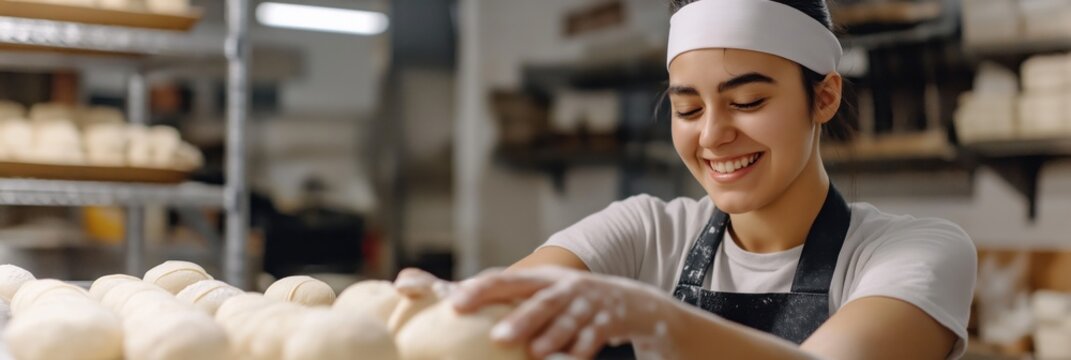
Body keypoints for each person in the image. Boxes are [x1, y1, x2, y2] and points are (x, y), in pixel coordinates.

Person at [397, 0, 977, 358]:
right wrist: (436, 307)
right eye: (689, 109)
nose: (712, 136)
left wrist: (658, 321)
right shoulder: (645, 230)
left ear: (823, 97)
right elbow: (499, 316)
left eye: (747, 100)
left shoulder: (912, 253)